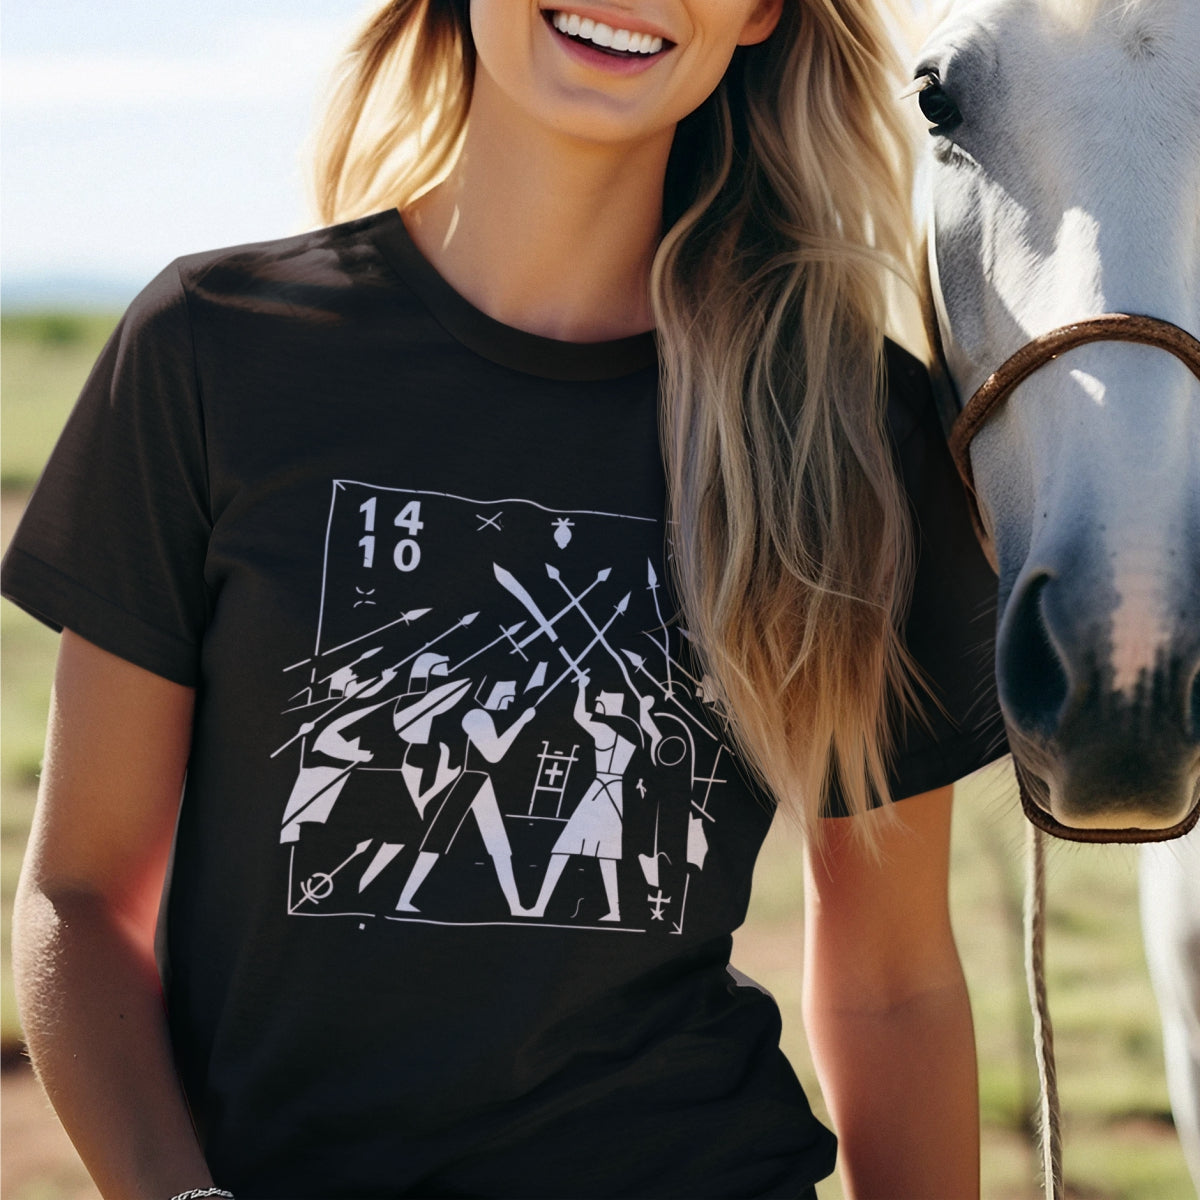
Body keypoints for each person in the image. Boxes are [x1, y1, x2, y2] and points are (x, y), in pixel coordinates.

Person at [2, 1, 1005, 1196]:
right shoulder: (213, 352)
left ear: (759, 14)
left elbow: (895, 981)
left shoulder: (851, 430)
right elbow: (81, 896)